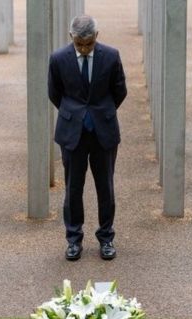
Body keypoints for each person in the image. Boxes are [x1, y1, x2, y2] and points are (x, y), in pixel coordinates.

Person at [48, 15, 127, 261]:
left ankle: (106, 238)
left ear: (97, 36)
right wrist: (76, 114)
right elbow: (55, 93)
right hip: (73, 134)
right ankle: (73, 239)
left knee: (106, 188)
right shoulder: (58, 59)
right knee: (73, 188)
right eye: (79, 44)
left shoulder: (111, 56)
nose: (84, 48)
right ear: (71, 37)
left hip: (103, 132)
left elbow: (119, 90)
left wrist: (100, 113)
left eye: (89, 44)